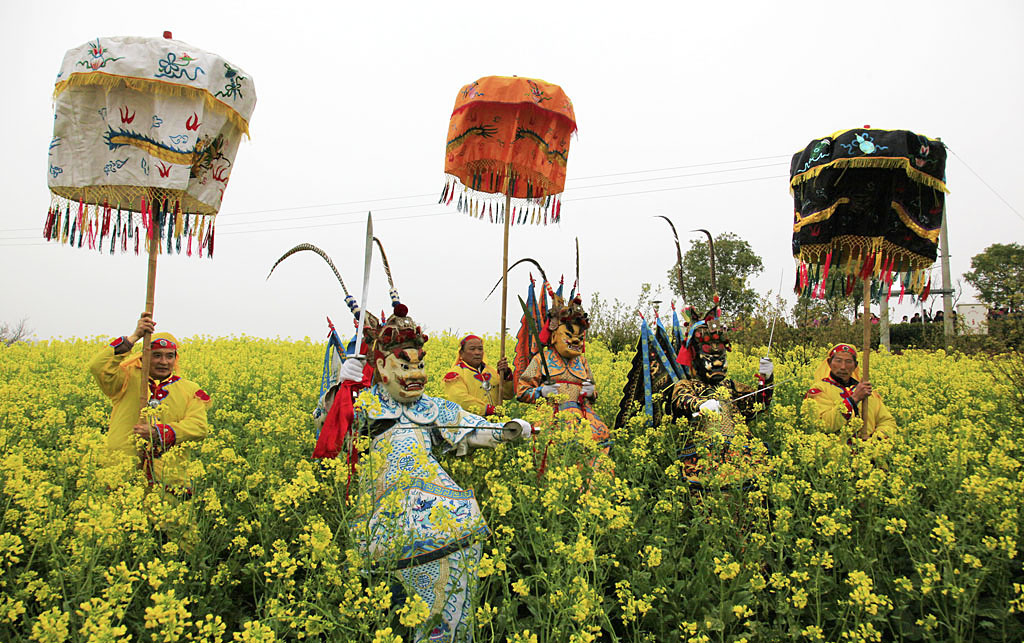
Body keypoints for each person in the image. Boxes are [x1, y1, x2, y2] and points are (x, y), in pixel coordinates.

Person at [331, 303, 534, 643]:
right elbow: (330, 431)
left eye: (420, 365)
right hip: (386, 505)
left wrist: (507, 430)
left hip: (434, 501)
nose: (415, 374)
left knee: (452, 566)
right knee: (387, 599)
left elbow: (469, 427)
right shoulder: (366, 403)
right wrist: (341, 389)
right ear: (381, 366)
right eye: (404, 365)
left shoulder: (431, 407)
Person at [87, 312, 210, 489]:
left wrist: (160, 433)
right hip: (122, 475)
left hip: (168, 480)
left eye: (169, 356)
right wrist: (134, 337)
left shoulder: (189, 389)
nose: (164, 362)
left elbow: (198, 427)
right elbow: (97, 367)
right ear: (144, 356)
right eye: (157, 355)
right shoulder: (126, 379)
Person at [516, 292, 611, 453]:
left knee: (597, 445)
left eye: (579, 338)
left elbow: (593, 393)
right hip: (552, 416)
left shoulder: (582, 362)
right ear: (553, 337)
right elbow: (522, 391)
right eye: (568, 335)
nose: (576, 341)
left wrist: (591, 392)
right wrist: (541, 392)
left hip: (583, 417)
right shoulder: (541, 359)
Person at [804, 343, 896, 439]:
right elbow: (823, 424)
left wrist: (876, 439)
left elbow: (887, 421)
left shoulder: (867, 392)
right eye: (838, 361)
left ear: (855, 365)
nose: (843, 367)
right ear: (829, 363)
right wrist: (853, 399)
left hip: (869, 451)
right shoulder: (819, 390)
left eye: (848, 362)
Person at [442, 334, 514, 416]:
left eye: (480, 349)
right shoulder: (455, 374)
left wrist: (505, 375)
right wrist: (488, 410)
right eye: (472, 349)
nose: (477, 353)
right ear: (461, 353)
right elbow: (459, 399)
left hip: (494, 422)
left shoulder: (491, 372)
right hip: (469, 424)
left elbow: (508, 395)